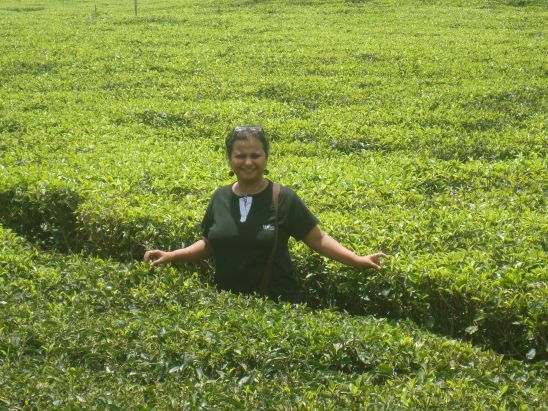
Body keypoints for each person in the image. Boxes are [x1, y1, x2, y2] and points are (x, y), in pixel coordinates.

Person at [144, 126, 388, 303]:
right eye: (240, 156)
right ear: (229, 159)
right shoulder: (220, 197)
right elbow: (210, 243)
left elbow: (318, 239)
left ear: (265, 158)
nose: (248, 162)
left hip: (278, 305)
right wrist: (172, 255)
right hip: (228, 304)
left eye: (255, 155)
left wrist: (356, 260)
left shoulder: (283, 198)